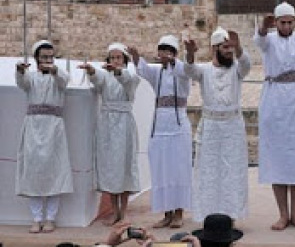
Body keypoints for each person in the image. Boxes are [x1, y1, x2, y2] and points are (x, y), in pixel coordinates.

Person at [254, 2, 295, 230]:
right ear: (277, 23)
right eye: (283, 22)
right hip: (275, 102)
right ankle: (282, 214)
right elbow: (259, 41)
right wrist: (263, 26)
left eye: (291, 22)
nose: (287, 26)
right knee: (278, 160)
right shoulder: (269, 39)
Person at [184, 27, 251, 222]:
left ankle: (231, 216)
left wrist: (239, 48)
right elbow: (189, 70)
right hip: (211, 128)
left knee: (233, 172)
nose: (229, 51)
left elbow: (246, 64)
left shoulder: (237, 69)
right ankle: (208, 216)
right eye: (225, 47)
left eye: (231, 48)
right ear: (215, 48)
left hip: (233, 127)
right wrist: (189, 53)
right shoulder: (204, 70)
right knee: (209, 172)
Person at [129, 35, 192, 228]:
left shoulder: (181, 72)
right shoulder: (157, 73)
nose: (163, 54)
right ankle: (167, 213)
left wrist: (184, 55)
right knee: (161, 170)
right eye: (161, 50)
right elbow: (143, 69)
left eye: (168, 51)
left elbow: (188, 68)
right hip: (160, 128)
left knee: (178, 170)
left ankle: (179, 213)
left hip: (178, 127)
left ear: (173, 54)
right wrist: (135, 55)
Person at [78, 43, 141, 226]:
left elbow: (128, 81)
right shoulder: (105, 76)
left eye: (118, 58)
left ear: (124, 60)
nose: (115, 61)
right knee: (110, 168)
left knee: (124, 166)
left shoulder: (131, 75)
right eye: (112, 58)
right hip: (107, 124)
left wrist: (117, 72)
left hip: (124, 124)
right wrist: (91, 71)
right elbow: (98, 82)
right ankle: (114, 211)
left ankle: (124, 211)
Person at [15, 40, 73, 233]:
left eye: (50, 57)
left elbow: (64, 81)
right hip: (33, 128)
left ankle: (50, 218)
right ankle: (36, 217)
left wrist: (54, 70)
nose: (47, 61)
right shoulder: (31, 77)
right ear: (37, 59)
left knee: (54, 172)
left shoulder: (59, 76)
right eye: (44, 57)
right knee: (34, 173)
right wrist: (20, 70)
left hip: (54, 128)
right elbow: (21, 83)